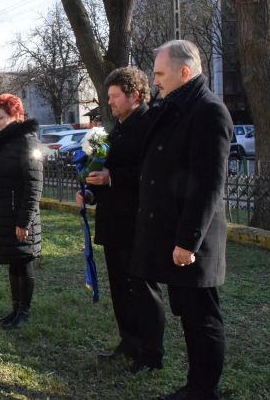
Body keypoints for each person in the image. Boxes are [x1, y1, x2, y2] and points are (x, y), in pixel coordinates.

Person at [132, 40, 233, 400]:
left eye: (160, 74)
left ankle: (204, 391)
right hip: (174, 234)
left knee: (202, 317)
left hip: (194, 241)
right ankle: (196, 386)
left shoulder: (208, 110)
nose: (154, 81)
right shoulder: (178, 107)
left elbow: (208, 184)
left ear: (184, 73)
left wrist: (188, 240)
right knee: (189, 315)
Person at [75, 67, 166, 373]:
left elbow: (152, 173)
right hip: (114, 223)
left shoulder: (150, 124)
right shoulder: (118, 128)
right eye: (109, 96)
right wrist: (90, 194)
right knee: (120, 287)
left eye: (115, 96)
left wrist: (112, 177)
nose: (110, 102)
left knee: (142, 287)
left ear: (134, 96)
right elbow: (104, 167)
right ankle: (129, 342)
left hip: (139, 223)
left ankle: (152, 353)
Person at [0, 94, 43, 329]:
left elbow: (34, 185)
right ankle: (14, 309)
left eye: (1, 117)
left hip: (20, 216)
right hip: (2, 213)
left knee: (23, 259)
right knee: (13, 261)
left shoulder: (28, 142)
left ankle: (24, 311)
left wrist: (24, 221)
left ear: (16, 116)